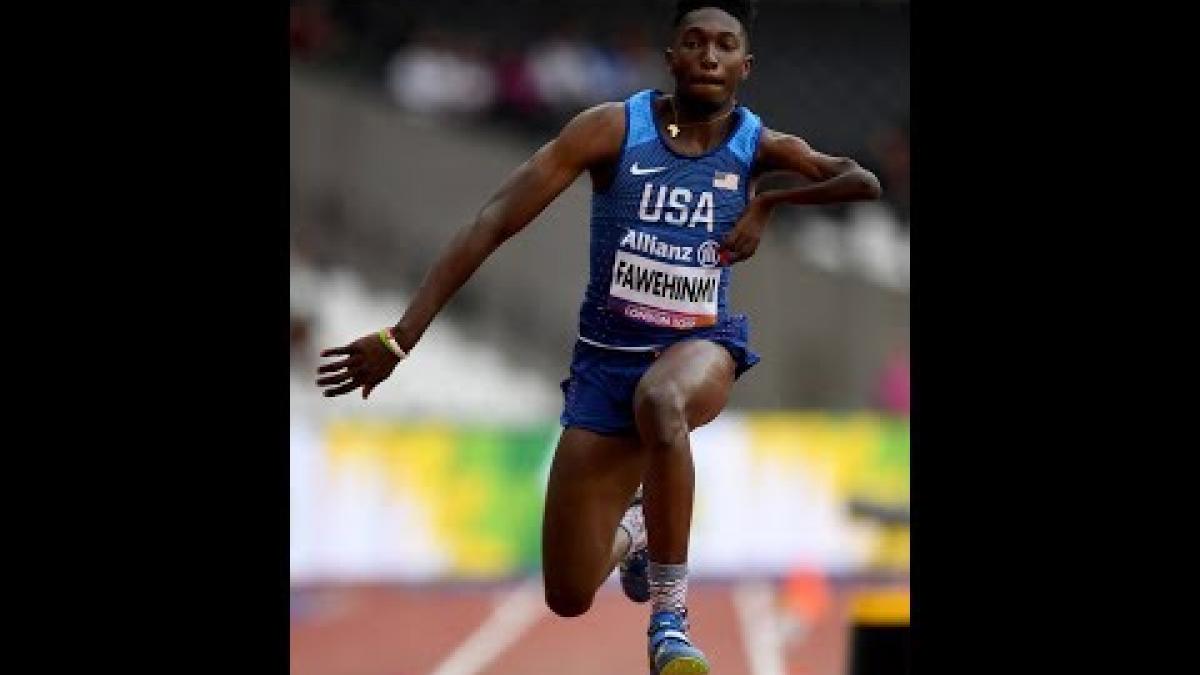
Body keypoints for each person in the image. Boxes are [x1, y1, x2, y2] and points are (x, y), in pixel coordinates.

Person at [316, 2, 880, 672]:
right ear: (670, 58)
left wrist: (768, 201)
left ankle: (669, 619)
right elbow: (495, 218)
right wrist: (402, 335)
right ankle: (638, 529)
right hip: (605, 371)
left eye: (724, 45)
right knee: (568, 593)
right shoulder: (612, 129)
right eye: (693, 42)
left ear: (744, 67)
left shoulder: (756, 145)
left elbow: (860, 180)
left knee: (664, 401)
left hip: (700, 348)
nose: (708, 55)